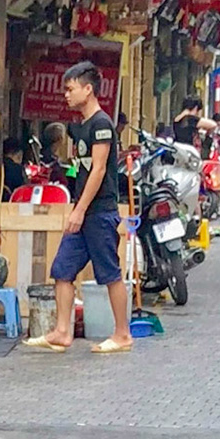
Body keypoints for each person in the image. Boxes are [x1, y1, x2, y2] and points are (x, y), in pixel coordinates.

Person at [26, 61, 132, 352]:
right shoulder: (81, 127)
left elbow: (99, 170)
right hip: (82, 212)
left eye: (70, 89)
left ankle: (122, 334)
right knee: (62, 269)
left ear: (88, 89)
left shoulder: (101, 124)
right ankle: (62, 331)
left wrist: (80, 209)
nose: (66, 95)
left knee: (109, 273)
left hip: (99, 212)